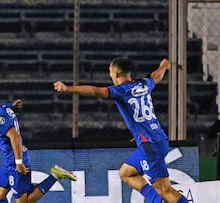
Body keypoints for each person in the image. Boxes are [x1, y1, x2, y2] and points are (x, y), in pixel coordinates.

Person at [53, 57, 188, 203]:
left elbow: (95, 91)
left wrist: (68, 88)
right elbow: (156, 76)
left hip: (150, 146)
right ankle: (156, 200)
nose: (110, 75)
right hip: (158, 140)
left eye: (110, 72)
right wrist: (164, 66)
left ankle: (159, 199)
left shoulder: (121, 91)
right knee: (126, 173)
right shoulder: (144, 84)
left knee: (165, 190)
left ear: (116, 74)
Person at [0, 80, 77, 203]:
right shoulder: (1, 108)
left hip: (15, 161)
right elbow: (3, 137)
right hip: (9, 161)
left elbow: (14, 137)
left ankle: (55, 175)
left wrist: (19, 162)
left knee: (24, 201)